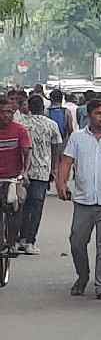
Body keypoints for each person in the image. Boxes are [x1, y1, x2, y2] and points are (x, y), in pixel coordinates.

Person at [57, 99, 101, 300]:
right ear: (89, 115)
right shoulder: (78, 138)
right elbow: (66, 161)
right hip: (83, 201)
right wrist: (62, 183)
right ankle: (83, 275)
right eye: (99, 113)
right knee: (77, 242)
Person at [15, 95, 62, 255]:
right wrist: (54, 168)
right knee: (35, 208)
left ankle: (17, 240)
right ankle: (30, 241)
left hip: (22, 171)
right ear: (43, 107)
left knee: (19, 206)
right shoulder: (51, 125)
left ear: (28, 106)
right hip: (42, 171)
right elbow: (57, 148)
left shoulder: (20, 124)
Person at [0, 97, 32, 252]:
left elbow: (27, 153)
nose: (6, 115)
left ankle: (12, 242)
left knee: (15, 208)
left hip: (13, 178)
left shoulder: (20, 130)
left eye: (9, 112)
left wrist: (24, 173)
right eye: (3, 112)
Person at [48, 89, 75, 177]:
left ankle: (52, 175)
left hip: (50, 142)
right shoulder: (66, 112)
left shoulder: (46, 111)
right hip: (64, 141)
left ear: (51, 99)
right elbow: (70, 128)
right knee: (62, 163)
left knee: (52, 161)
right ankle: (62, 181)